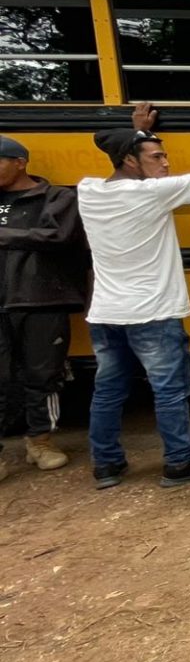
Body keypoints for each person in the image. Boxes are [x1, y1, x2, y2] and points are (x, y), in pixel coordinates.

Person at [77, 102, 190, 490]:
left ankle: (106, 465)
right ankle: (180, 462)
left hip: (106, 313)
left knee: (107, 391)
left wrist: (139, 131)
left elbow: (121, 160)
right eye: (157, 157)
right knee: (169, 391)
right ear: (130, 160)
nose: (166, 163)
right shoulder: (151, 193)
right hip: (153, 313)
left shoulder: (88, 190)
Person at [0, 135, 90, 478]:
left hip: (41, 298)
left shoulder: (56, 197)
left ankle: (40, 441)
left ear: (20, 162)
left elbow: (58, 236)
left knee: (43, 374)